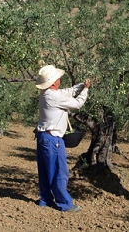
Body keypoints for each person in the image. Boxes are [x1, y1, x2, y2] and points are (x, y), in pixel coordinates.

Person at [35, 65, 91, 212]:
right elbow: (77, 103)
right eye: (58, 78)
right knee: (59, 171)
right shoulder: (53, 96)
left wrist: (81, 85)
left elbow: (67, 92)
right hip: (53, 139)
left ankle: (45, 199)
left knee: (45, 170)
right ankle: (64, 204)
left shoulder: (46, 93)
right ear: (53, 82)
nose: (60, 79)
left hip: (43, 136)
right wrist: (85, 90)